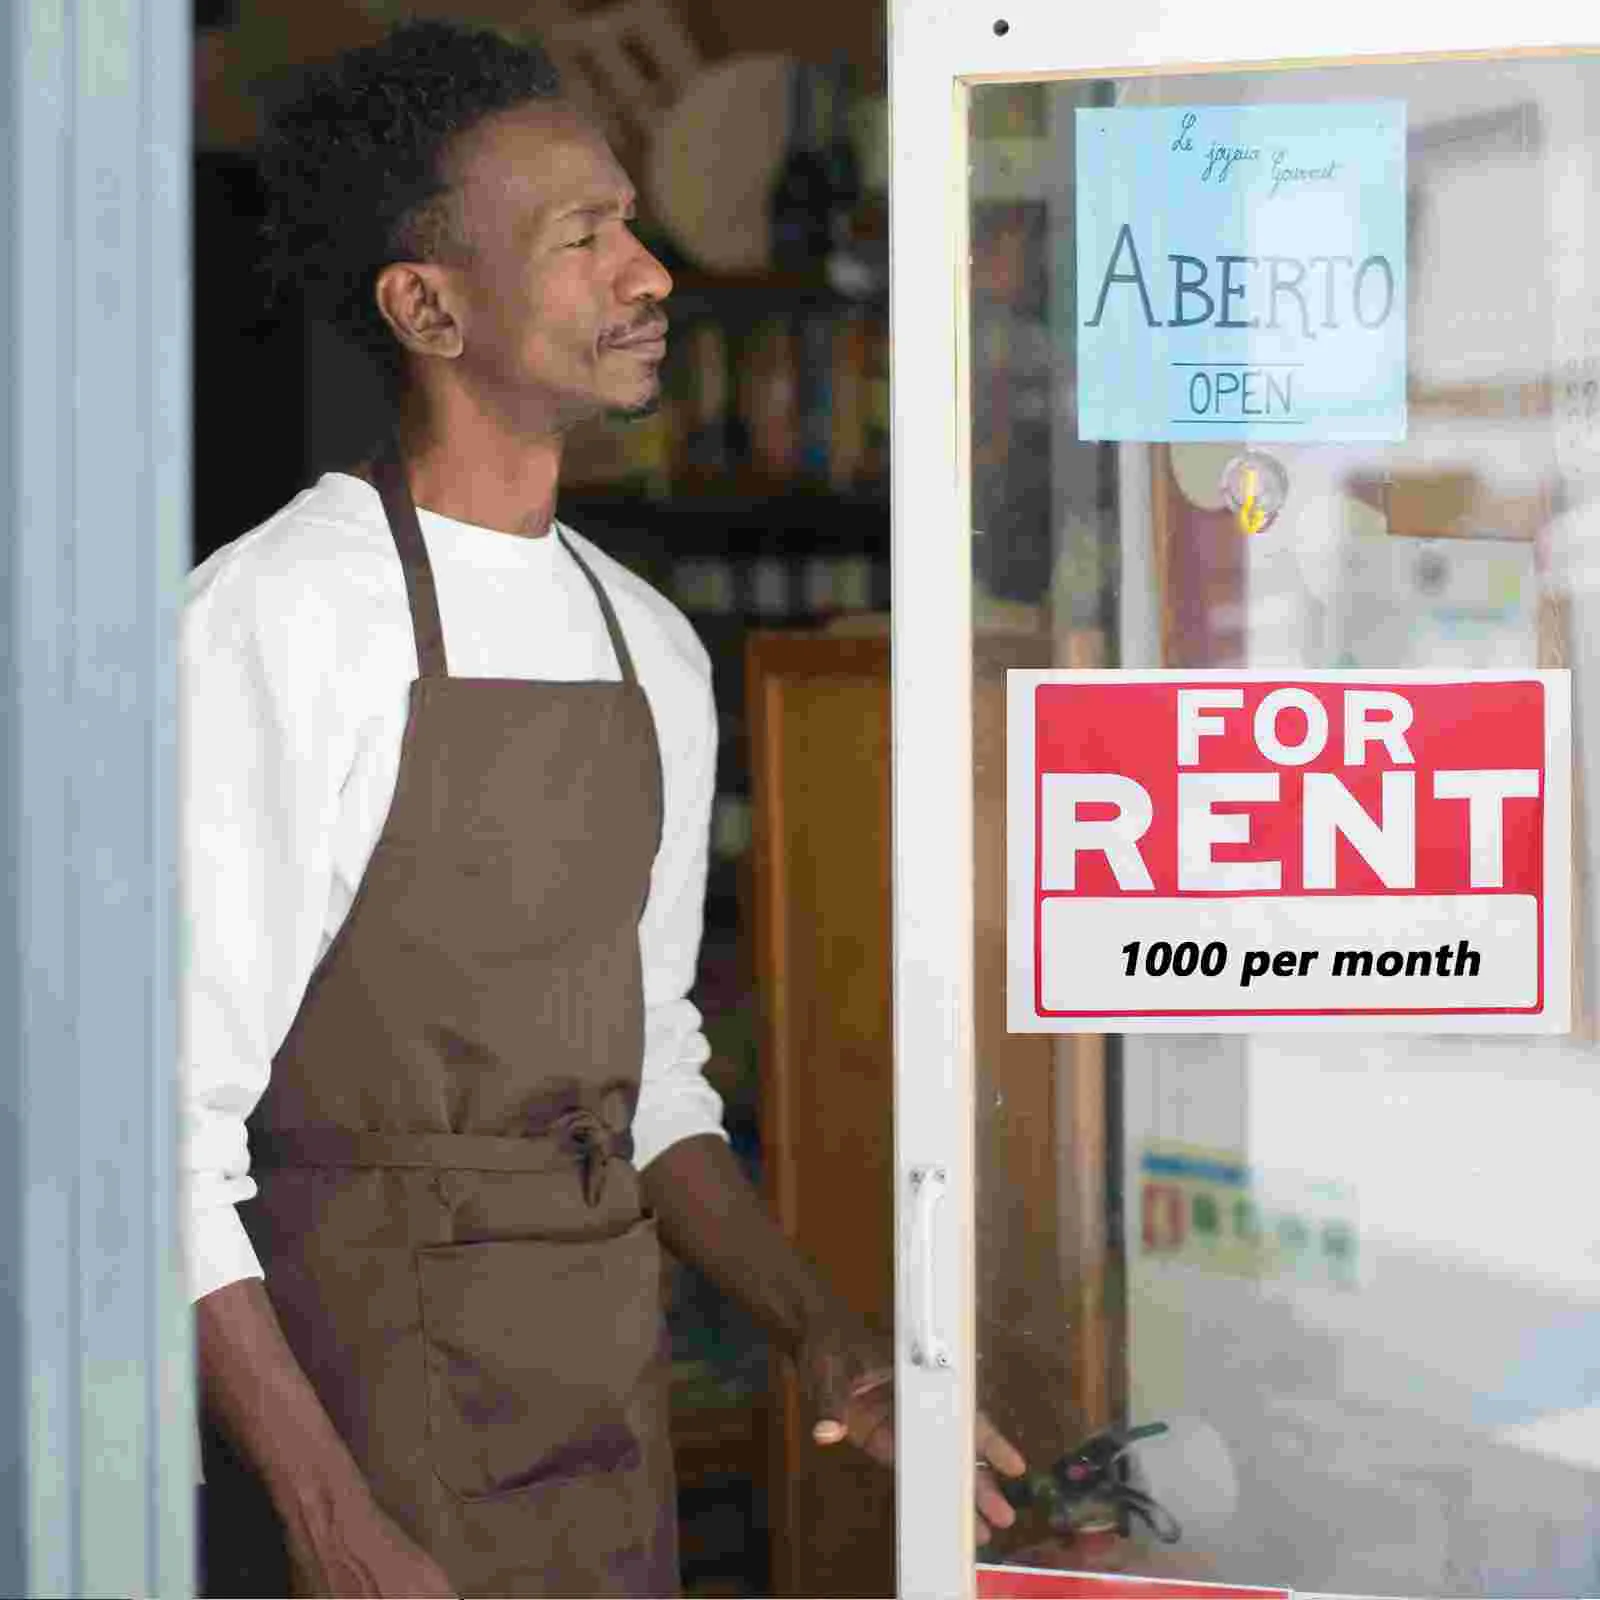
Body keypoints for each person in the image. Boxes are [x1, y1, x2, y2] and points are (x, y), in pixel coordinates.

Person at [182, 20, 1025, 1598]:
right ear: (427, 307)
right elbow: (160, 1139)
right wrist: (331, 1521)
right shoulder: (279, 621)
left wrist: (826, 1341)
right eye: (586, 240)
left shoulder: (644, 637)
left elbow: (654, 1074)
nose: (649, 273)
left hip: (595, 1395)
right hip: (357, 1399)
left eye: (632, 224)